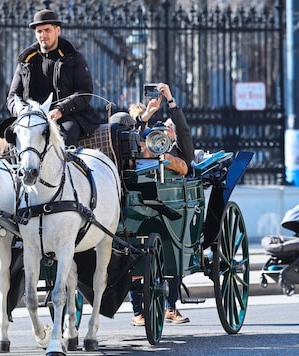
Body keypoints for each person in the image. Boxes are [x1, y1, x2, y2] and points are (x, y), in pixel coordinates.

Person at [127, 83, 195, 326]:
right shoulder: (146, 147)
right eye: (161, 128)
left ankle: (170, 307)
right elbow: (133, 139)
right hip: (139, 203)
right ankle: (138, 311)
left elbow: (184, 132)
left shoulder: (180, 149)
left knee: (171, 253)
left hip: (173, 205)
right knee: (132, 252)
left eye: (169, 128)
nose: (164, 131)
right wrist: (148, 115)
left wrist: (170, 100)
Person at [6, 9, 102, 146]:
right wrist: (20, 111)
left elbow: (84, 92)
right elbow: (12, 96)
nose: (43, 35)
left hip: (67, 115)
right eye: (39, 31)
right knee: (10, 138)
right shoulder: (26, 61)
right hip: (31, 118)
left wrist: (61, 109)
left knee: (64, 134)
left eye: (47, 30)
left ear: (58, 31)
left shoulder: (73, 57)